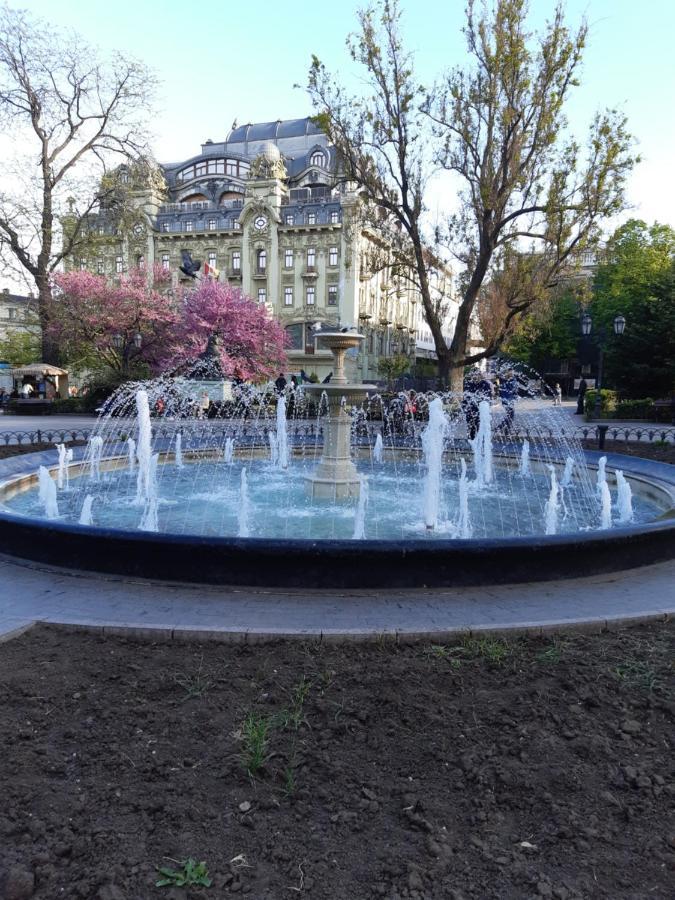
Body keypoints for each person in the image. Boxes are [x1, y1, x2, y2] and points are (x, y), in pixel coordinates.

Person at [462, 368, 492, 440]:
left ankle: (480, 442)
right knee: (470, 427)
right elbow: (466, 397)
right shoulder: (468, 384)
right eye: (473, 375)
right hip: (470, 410)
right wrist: (464, 408)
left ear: (479, 375)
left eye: (476, 374)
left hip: (480, 410)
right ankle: (471, 442)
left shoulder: (485, 384)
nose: (474, 377)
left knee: (480, 426)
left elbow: (488, 397)